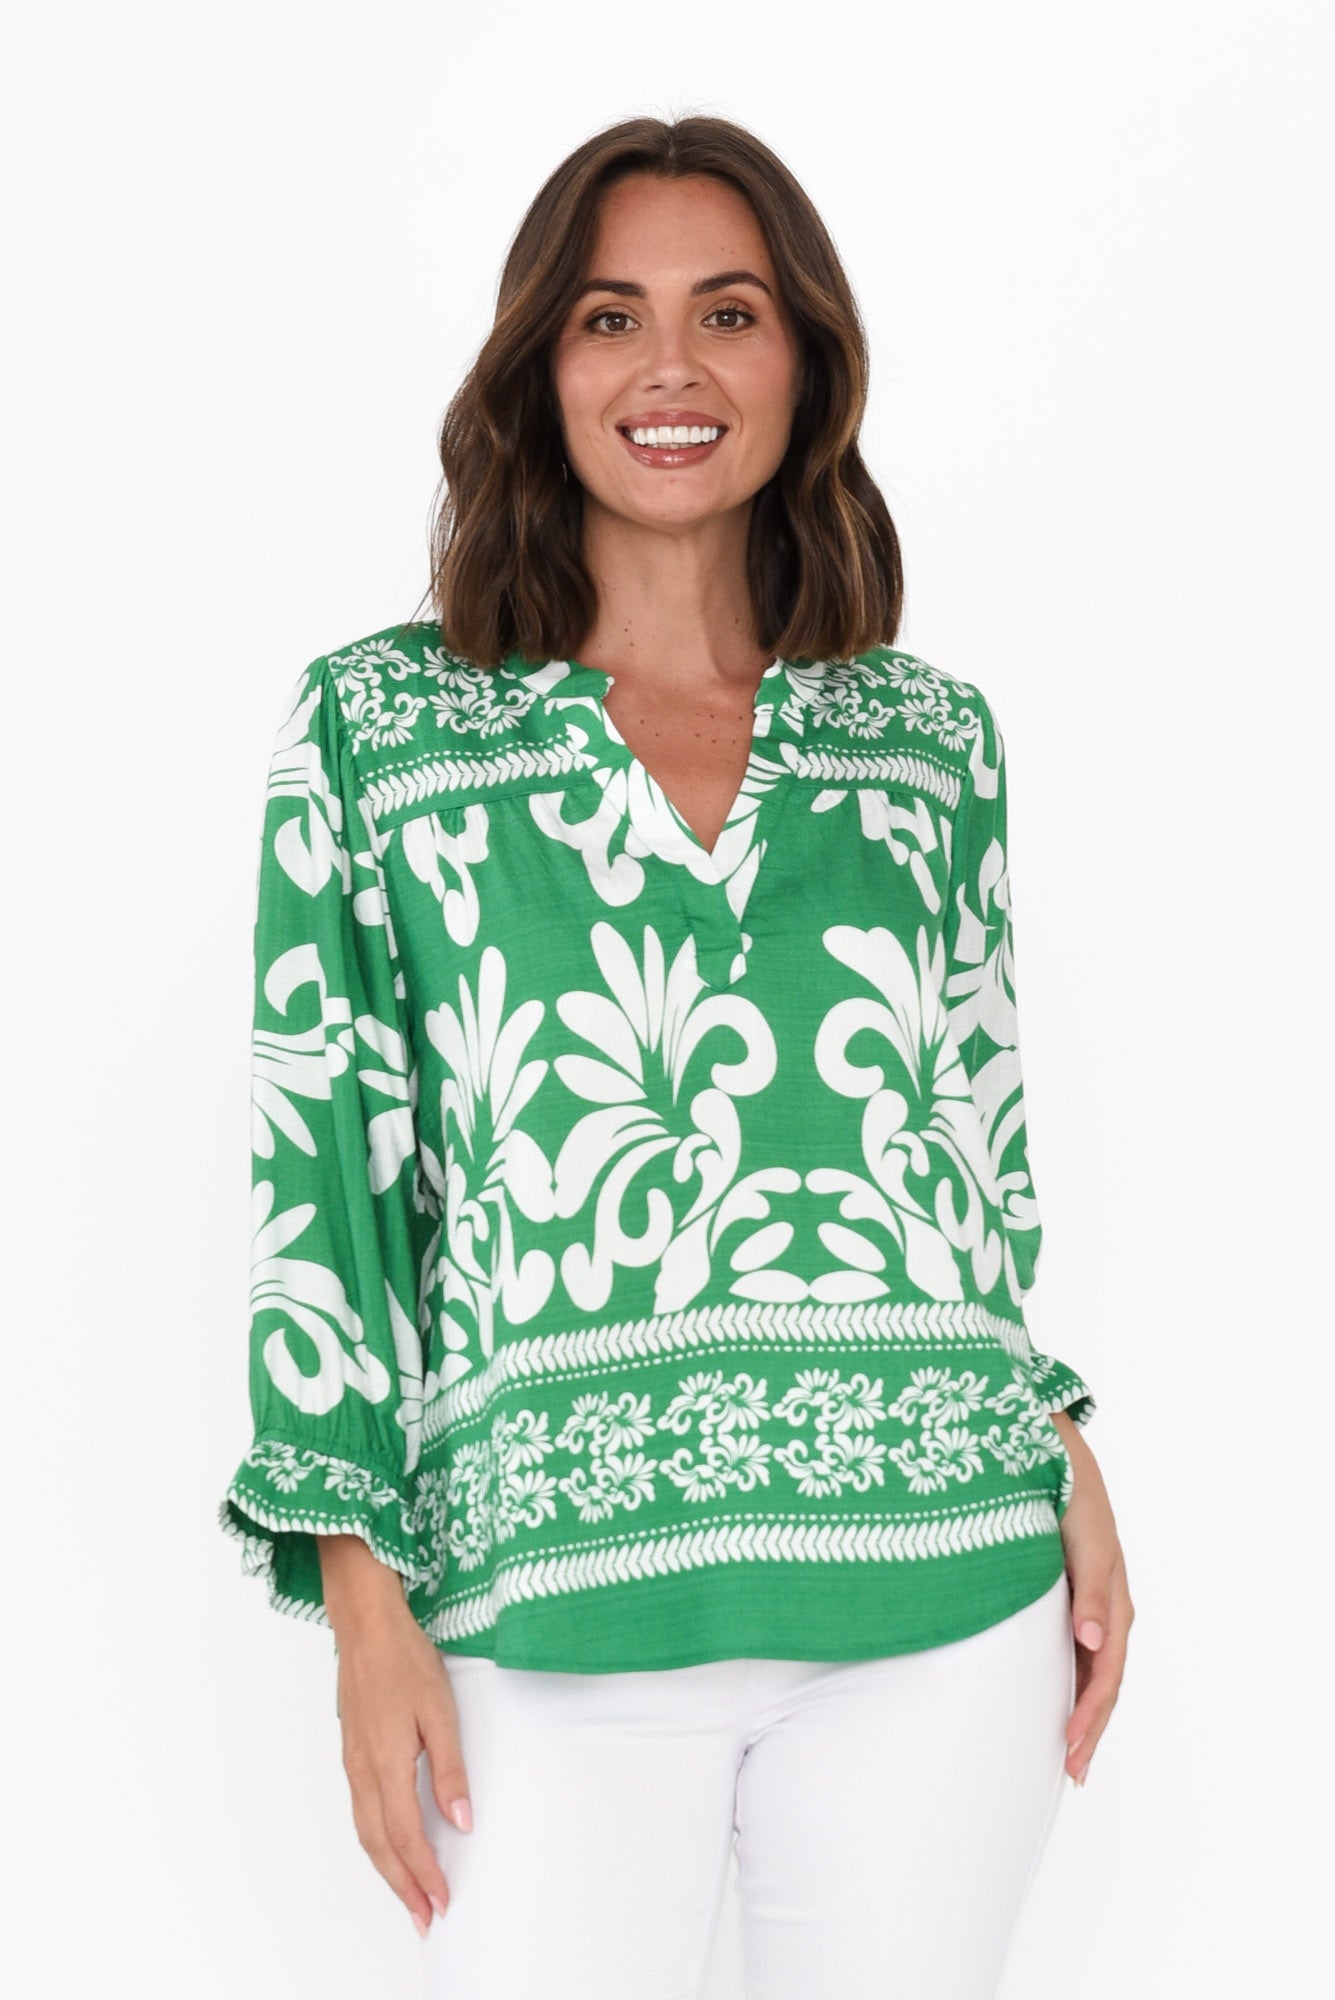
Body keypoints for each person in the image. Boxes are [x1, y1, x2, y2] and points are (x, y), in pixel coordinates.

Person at [218, 113, 1133, 1999]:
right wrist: (361, 1608)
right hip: (541, 1607)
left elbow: (968, 1145)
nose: (671, 370)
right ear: (540, 368)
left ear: (805, 361)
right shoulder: (383, 728)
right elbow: (328, 1179)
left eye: (728, 314)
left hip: (944, 1580)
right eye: (610, 319)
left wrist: (1055, 1432)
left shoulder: (928, 739)